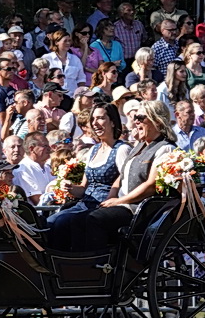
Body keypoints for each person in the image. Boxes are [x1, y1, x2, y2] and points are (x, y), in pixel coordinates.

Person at [48, 99, 176, 251]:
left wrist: (118, 200)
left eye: (140, 118)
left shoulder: (164, 149)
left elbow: (150, 185)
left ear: (157, 121)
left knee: (92, 219)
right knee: (68, 220)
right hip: (120, 203)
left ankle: (98, 264)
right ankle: (75, 265)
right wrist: (112, 197)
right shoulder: (139, 147)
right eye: (135, 118)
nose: (136, 122)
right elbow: (120, 177)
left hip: (137, 208)